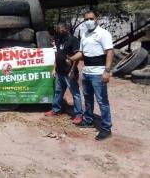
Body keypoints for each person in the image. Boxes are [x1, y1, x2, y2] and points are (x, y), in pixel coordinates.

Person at [68, 11, 114, 141]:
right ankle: (88, 120)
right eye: (86, 19)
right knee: (88, 99)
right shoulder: (84, 35)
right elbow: (81, 53)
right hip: (87, 72)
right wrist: (71, 58)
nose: (88, 21)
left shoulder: (103, 34)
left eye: (91, 18)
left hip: (99, 73)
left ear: (96, 19)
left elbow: (109, 52)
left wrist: (107, 71)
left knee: (102, 101)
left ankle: (106, 128)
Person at [44, 22, 83, 124]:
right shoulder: (59, 39)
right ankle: (55, 110)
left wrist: (72, 70)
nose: (59, 31)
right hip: (60, 72)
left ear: (67, 29)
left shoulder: (73, 40)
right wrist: (54, 68)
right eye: (57, 29)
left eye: (61, 29)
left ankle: (78, 114)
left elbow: (77, 57)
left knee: (75, 94)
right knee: (58, 92)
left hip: (69, 72)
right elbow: (57, 55)